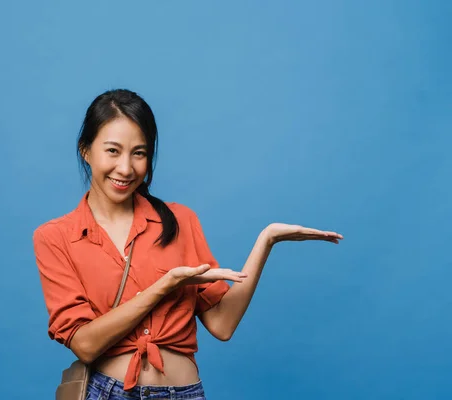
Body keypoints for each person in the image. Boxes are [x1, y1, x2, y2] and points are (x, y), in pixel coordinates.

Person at [33, 89, 343, 400]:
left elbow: (223, 325)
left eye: (139, 153)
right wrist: (165, 285)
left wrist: (267, 240)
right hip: (108, 392)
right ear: (85, 150)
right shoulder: (55, 237)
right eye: (113, 151)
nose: (126, 168)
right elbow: (84, 345)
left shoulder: (180, 221)